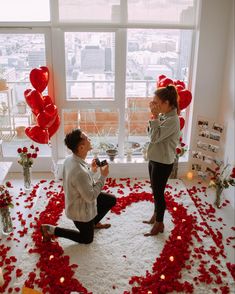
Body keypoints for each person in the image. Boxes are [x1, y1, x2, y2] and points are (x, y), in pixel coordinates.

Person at [41, 129, 116, 244]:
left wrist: (92, 171)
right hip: (80, 213)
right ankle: (50, 229)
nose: (90, 139)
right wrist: (103, 176)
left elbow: (81, 182)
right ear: (81, 147)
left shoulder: (70, 159)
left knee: (111, 200)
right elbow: (90, 197)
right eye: (87, 139)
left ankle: (93, 223)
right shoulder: (79, 171)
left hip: (78, 200)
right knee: (87, 239)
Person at [143, 84, 180, 237]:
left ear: (166, 103)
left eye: (156, 102)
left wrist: (155, 117)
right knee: (155, 190)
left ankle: (160, 223)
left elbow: (154, 137)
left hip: (163, 162)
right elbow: (151, 133)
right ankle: (156, 215)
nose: (154, 104)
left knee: (159, 193)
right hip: (154, 157)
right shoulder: (165, 116)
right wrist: (155, 117)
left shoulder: (173, 120)